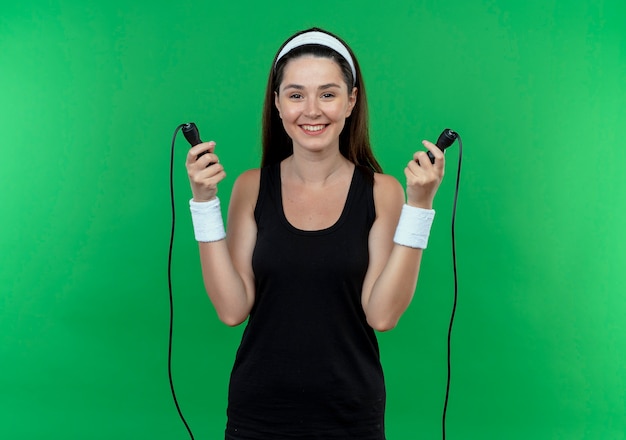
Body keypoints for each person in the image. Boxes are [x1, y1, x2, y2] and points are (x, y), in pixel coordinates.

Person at [185, 27, 446, 440]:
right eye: (295, 95)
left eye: (327, 94)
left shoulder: (384, 192)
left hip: (351, 416)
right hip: (258, 416)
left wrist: (420, 206)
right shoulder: (251, 187)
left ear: (351, 101)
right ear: (276, 104)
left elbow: (382, 315)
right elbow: (232, 309)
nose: (311, 110)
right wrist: (203, 202)